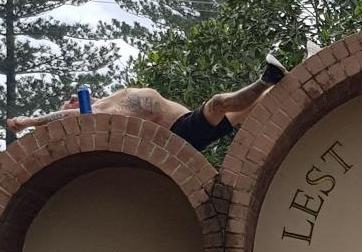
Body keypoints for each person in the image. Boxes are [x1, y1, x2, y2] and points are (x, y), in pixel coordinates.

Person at [6, 54, 286, 151]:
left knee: (253, 106)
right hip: (181, 134)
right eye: (68, 104)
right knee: (217, 103)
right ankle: (268, 78)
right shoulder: (97, 114)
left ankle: (292, 77)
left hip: (189, 127)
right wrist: (29, 122)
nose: (69, 101)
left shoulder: (110, 97)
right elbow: (64, 117)